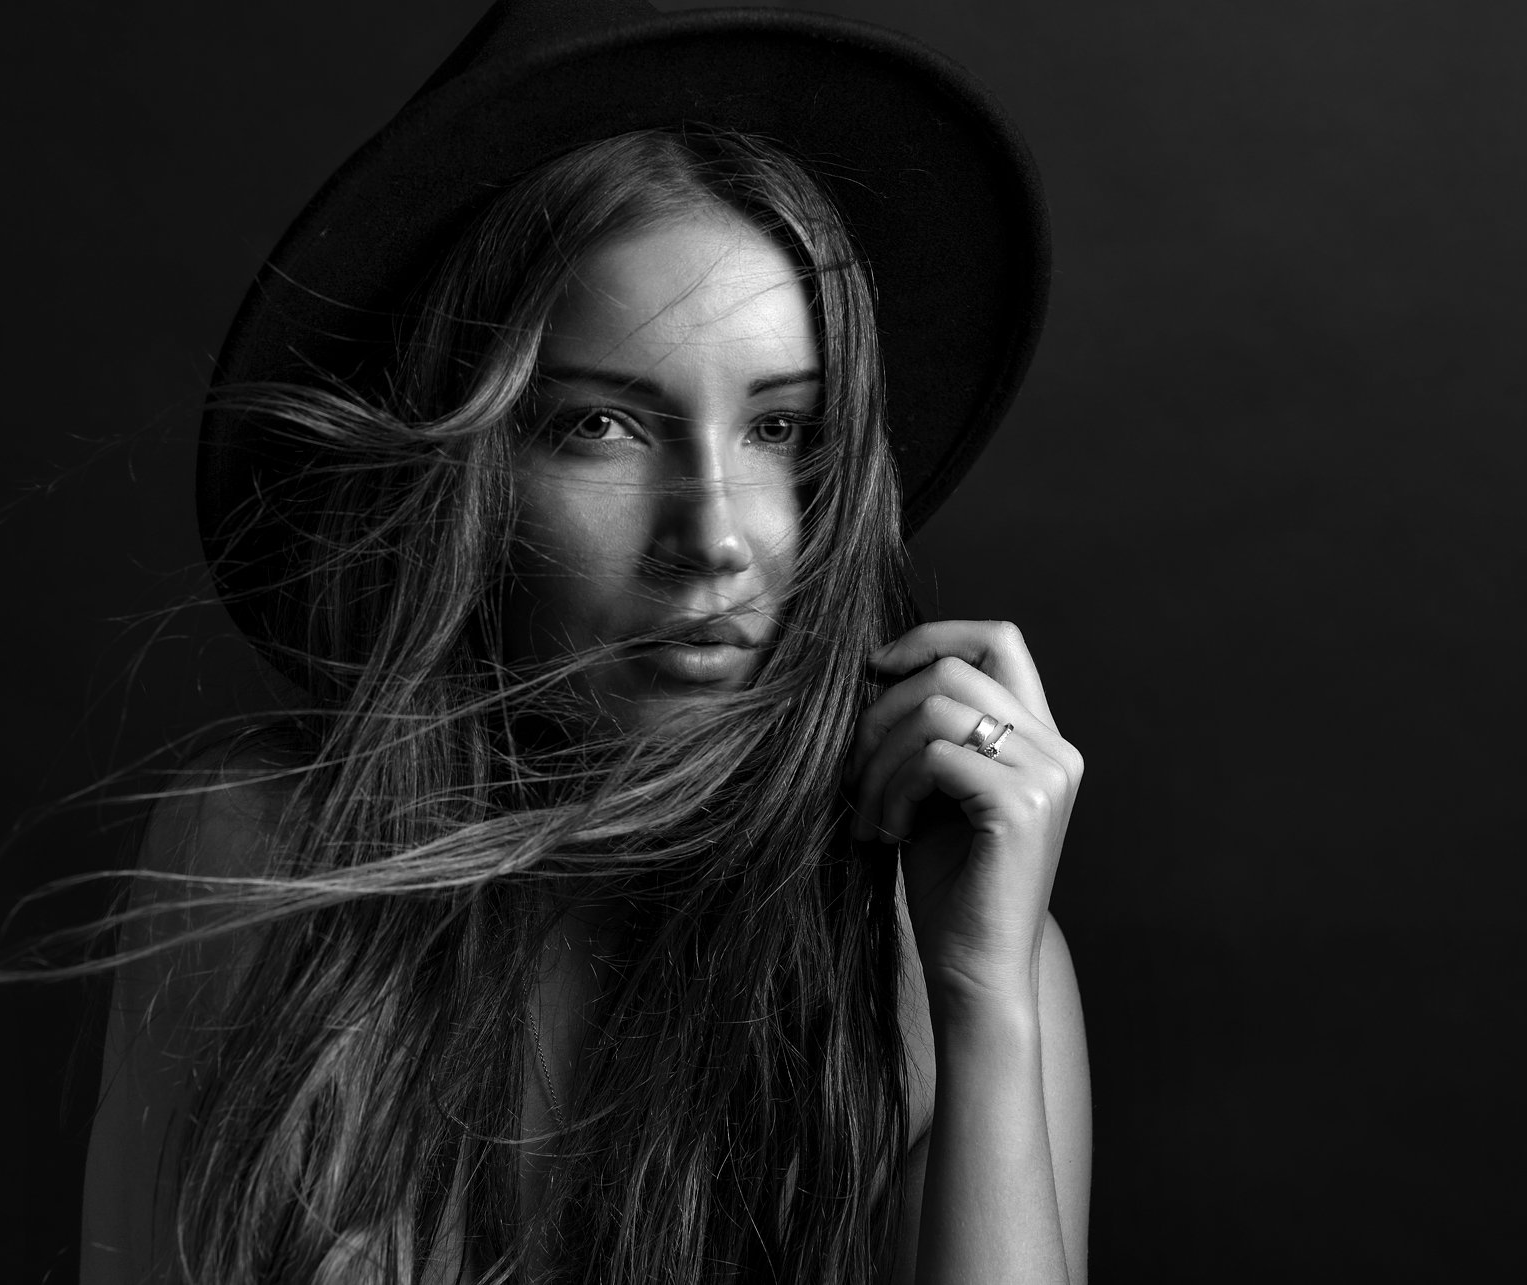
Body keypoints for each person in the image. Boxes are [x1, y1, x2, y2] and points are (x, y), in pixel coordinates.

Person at [81, 2, 1090, 1282]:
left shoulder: (942, 951)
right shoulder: (262, 854)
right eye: (600, 426)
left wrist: (986, 1000)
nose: (715, 536)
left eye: (779, 429)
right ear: (468, 466)